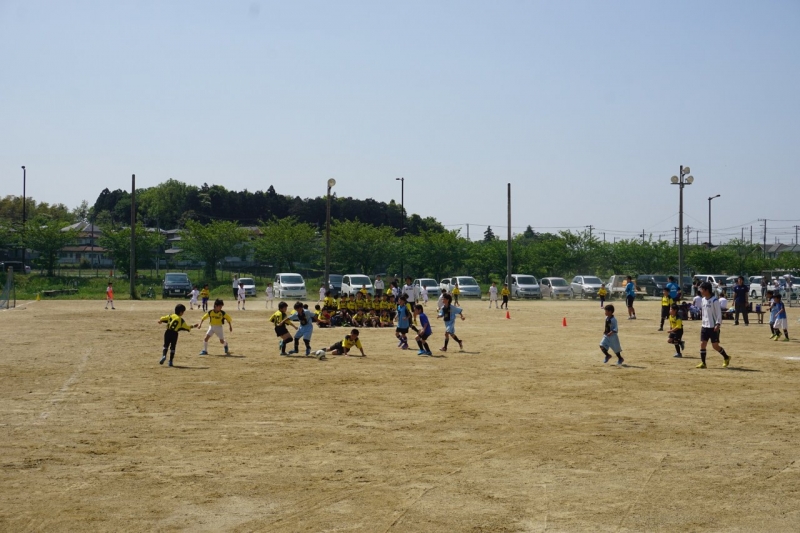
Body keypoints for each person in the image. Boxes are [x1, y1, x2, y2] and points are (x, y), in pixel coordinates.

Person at [696, 281, 731, 369]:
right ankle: (703, 363)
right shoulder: (703, 300)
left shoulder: (714, 300)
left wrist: (718, 324)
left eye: (702, 289)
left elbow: (719, 313)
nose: (700, 291)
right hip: (704, 326)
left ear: (707, 290)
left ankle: (726, 357)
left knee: (715, 346)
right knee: (702, 344)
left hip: (713, 327)